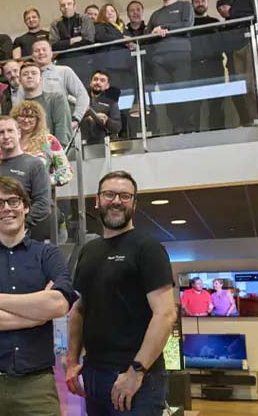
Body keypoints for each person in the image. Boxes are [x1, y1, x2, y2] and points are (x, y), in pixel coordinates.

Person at [0, 177, 75, 416]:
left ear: (26, 206)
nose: (7, 209)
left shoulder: (47, 254)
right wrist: (36, 315)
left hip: (36, 384)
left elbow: (59, 304)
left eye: (13, 201)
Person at [66, 171, 176, 416]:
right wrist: (72, 361)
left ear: (134, 204)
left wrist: (136, 371)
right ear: (97, 201)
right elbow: (80, 309)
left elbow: (165, 314)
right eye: (109, 194)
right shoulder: (89, 251)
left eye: (125, 196)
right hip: (93, 375)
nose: (116, 201)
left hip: (136, 378)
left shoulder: (148, 248)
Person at [0, 117, 53, 242]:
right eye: (1, 133)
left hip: (29, 236)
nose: (6, 136)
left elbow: (43, 203)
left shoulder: (35, 164)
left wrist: (20, 225)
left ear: (18, 133)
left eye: (10, 131)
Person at [145, 0, 194, 134]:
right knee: (167, 95)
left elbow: (187, 25)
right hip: (159, 59)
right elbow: (147, 35)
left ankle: (189, 126)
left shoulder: (185, 5)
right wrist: (155, 31)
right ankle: (177, 126)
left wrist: (164, 27)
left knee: (182, 90)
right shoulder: (155, 14)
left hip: (180, 55)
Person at [214, 0, 258, 126]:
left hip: (250, 41)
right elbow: (223, 10)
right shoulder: (222, 2)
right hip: (235, 47)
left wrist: (232, 12)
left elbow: (255, 14)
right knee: (242, 86)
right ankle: (251, 119)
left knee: (253, 83)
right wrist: (235, 12)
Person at [8, 101, 73, 189]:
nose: (26, 120)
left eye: (31, 116)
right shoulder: (7, 141)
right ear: (15, 118)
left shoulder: (49, 141)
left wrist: (44, 181)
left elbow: (66, 173)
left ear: (38, 119)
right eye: (22, 116)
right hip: (11, 196)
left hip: (40, 196)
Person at [32, 39, 91, 127]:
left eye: (44, 49)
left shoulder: (64, 71)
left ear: (52, 53)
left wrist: (76, 118)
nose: (41, 52)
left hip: (62, 126)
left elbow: (82, 95)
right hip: (37, 129)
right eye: (37, 51)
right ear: (32, 56)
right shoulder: (28, 76)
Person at [12, 61, 72, 148]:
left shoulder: (56, 99)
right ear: (20, 80)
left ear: (40, 78)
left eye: (34, 73)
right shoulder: (18, 108)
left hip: (52, 153)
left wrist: (57, 154)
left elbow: (62, 128)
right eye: (25, 74)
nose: (29, 76)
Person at [190, 0, 226, 131]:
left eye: (203, 1)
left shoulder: (215, 22)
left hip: (214, 66)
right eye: (197, 1)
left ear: (207, 3)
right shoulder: (188, 25)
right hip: (194, 68)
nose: (200, 4)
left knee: (217, 102)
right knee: (194, 105)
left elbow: (221, 44)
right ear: (192, 4)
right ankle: (194, 134)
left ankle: (218, 132)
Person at [49, 0, 95, 81]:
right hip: (64, 63)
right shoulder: (55, 24)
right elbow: (54, 46)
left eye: (69, 4)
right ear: (60, 9)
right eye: (63, 5)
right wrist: (72, 41)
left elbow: (89, 40)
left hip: (85, 61)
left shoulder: (84, 19)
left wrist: (64, 44)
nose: (66, 7)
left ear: (74, 6)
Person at [93, 3, 132, 95]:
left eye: (112, 11)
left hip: (128, 66)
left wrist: (132, 43)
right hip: (111, 66)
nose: (110, 13)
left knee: (128, 92)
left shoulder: (124, 28)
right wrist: (123, 39)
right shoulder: (99, 26)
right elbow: (101, 36)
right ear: (102, 15)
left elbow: (131, 40)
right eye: (107, 12)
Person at [83, 71, 122, 144]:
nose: (98, 82)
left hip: (100, 145)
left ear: (107, 86)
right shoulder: (81, 98)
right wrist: (87, 118)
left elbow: (117, 127)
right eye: (95, 79)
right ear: (91, 83)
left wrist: (107, 120)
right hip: (78, 143)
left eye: (102, 80)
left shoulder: (112, 103)